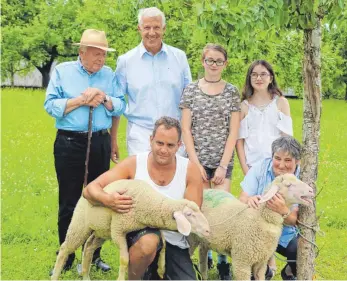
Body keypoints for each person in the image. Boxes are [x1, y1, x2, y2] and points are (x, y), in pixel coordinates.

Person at [44, 29, 126, 274]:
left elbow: (121, 104)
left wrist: (103, 97)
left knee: (99, 198)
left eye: (103, 53)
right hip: (69, 143)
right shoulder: (63, 71)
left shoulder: (109, 75)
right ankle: (66, 255)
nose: (101, 58)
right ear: (82, 52)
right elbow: (50, 105)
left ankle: (93, 255)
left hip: (99, 142)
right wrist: (80, 100)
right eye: (96, 53)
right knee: (69, 201)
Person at [83, 116, 203, 280]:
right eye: (159, 143)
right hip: (140, 236)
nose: (163, 150)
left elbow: (190, 218)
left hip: (173, 242)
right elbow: (90, 190)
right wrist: (107, 200)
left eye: (170, 145)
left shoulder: (190, 170)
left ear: (179, 146)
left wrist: (151, 214)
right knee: (149, 242)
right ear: (151, 140)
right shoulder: (134, 164)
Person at [180, 43, 240, 280]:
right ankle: (206, 258)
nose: (213, 64)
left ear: (225, 64)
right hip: (197, 160)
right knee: (201, 211)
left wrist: (223, 165)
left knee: (223, 211)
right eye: (209, 60)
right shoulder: (191, 90)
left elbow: (233, 132)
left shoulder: (231, 92)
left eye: (218, 61)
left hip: (222, 160)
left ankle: (224, 261)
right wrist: (195, 164)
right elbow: (186, 128)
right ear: (203, 61)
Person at [115, 7, 192, 156]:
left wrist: (189, 132)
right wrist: (113, 139)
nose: (152, 32)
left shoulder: (179, 57)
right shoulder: (125, 61)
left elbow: (189, 98)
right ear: (139, 29)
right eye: (147, 27)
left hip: (174, 133)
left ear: (164, 29)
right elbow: (117, 103)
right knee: (142, 179)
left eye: (156, 27)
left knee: (175, 178)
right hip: (140, 135)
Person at [239, 136, 302, 280]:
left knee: (299, 249)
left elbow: (295, 220)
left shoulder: (303, 178)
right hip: (260, 231)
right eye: (277, 158)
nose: (281, 165)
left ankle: (289, 271)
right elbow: (242, 198)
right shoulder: (260, 169)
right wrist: (249, 200)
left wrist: (283, 211)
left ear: (297, 161)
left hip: (287, 234)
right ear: (272, 156)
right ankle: (264, 271)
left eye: (287, 160)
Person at [236, 60, 293, 176]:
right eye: (254, 74)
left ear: (271, 78)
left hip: (276, 166)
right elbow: (239, 140)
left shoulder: (281, 103)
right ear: (249, 78)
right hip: (253, 166)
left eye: (263, 74)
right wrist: (245, 170)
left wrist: (285, 165)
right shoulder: (244, 106)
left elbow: (287, 138)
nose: (258, 78)